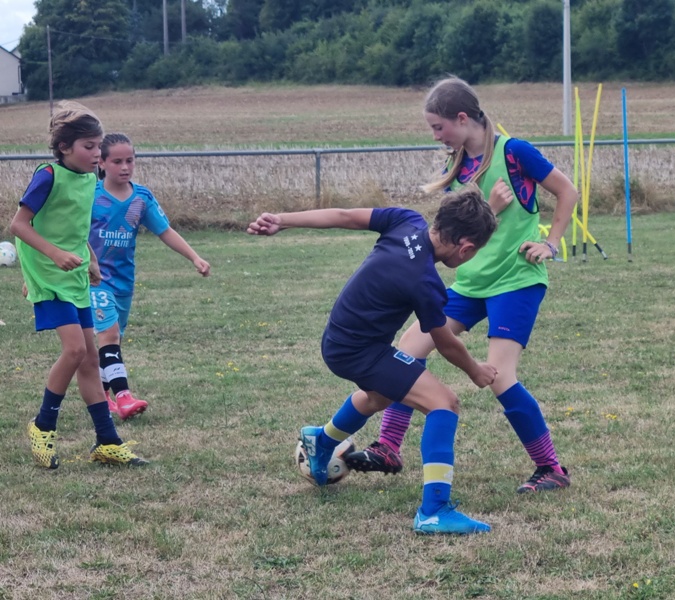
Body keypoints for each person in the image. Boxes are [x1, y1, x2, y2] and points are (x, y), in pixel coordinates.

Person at [344, 76, 579, 494]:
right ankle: (388, 447)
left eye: (439, 127)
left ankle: (551, 468)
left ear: (463, 117)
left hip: (515, 280)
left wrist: (551, 243)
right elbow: (462, 225)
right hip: (470, 284)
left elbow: (568, 191)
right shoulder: (456, 165)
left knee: (500, 376)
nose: (436, 136)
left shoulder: (515, 152)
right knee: (405, 352)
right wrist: (488, 207)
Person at [247, 188, 499, 535]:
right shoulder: (424, 280)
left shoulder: (407, 221)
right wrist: (475, 369)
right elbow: (445, 343)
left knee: (380, 397)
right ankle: (434, 512)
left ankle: (321, 441)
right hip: (358, 350)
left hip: (341, 339)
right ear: (466, 248)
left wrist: (282, 220)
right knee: (444, 403)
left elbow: (344, 216)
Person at [9, 102, 148, 469]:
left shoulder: (89, 179)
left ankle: (107, 441)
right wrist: (53, 256)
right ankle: (42, 426)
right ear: (65, 147)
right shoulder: (48, 176)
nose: (97, 153)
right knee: (74, 351)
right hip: (48, 273)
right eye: (89, 146)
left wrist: (91, 258)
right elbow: (19, 225)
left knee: (89, 358)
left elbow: (74, 226)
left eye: (99, 146)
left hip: (73, 273)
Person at [90, 133, 211, 420]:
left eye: (129, 160)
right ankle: (124, 397)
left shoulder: (141, 198)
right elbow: (66, 232)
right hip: (93, 280)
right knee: (109, 334)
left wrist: (194, 257)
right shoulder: (89, 196)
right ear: (102, 163)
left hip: (124, 282)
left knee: (112, 341)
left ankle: (101, 396)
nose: (125, 167)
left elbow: (164, 231)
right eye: (117, 161)